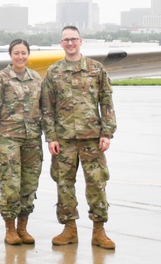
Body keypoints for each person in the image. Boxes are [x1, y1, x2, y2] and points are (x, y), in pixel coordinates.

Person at [42, 26, 117, 250]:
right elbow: (47, 108)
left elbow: (106, 102)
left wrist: (107, 132)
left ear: (81, 41)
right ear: (61, 43)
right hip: (64, 140)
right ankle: (69, 229)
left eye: (73, 39)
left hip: (92, 138)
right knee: (64, 184)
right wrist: (51, 137)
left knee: (96, 184)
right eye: (66, 40)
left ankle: (99, 231)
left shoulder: (96, 69)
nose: (70, 43)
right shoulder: (54, 72)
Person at [0, 38, 44, 245]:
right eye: (16, 53)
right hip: (8, 138)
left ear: (28, 55)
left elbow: (43, 108)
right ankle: (10, 229)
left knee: (29, 184)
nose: (20, 57)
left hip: (32, 139)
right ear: (11, 55)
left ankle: (23, 228)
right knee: (10, 185)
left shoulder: (36, 78)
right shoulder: (0, 79)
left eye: (24, 53)